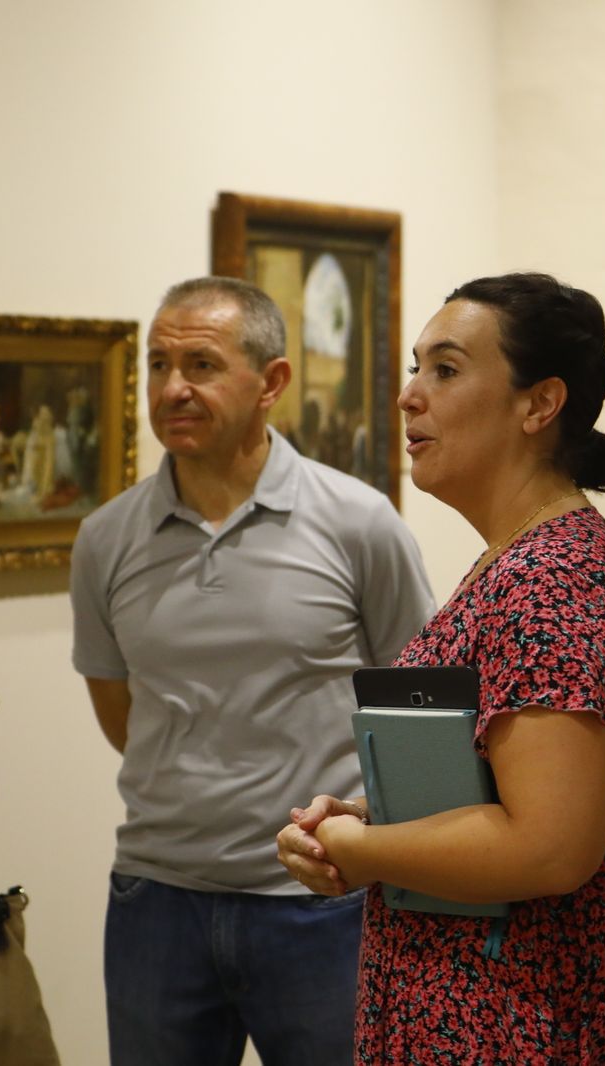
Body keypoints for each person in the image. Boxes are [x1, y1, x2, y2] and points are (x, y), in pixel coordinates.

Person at [277, 272, 605, 1062]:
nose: (408, 395)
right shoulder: (517, 559)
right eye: (415, 367)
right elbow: (495, 794)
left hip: (536, 1013)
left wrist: (361, 852)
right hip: (489, 1001)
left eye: (445, 369)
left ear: (539, 404)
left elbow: (548, 846)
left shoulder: (555, 578)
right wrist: (366, 825)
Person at [68, 276, 433, 1066]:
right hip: (156, 897)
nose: (173, 388)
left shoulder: (358, 521)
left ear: (271, 383)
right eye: (158, 364)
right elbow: (118, 708)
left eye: (200, 364)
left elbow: (415, 707)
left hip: (323, 900)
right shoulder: (105, 538)